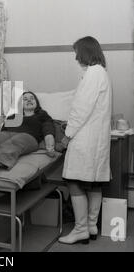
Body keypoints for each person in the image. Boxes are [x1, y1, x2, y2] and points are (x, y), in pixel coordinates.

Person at [58, 36, 112, 245]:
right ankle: (91, 226)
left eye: (77, 52)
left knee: (74, 181)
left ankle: (80, 229)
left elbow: (81, 109)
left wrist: (67, 135)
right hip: (96, 138)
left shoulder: (92, 73)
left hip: (85, 138)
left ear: (85, 52)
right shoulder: (102, 73)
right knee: (94, 182)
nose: (75, 57)